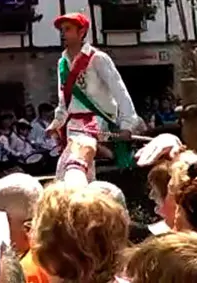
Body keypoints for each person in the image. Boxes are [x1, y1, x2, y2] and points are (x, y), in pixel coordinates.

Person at [45, 13, 140, 181]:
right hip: (73, 124)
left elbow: (120, 92)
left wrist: (127, 124)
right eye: (62, 30)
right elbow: (63, 100)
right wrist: (57, 122)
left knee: (72, 164)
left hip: (96, 121)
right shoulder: (62, 63)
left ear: (81, 32)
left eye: (67, 29)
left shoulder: (98, 58)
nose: (63, 34)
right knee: (77, 169)